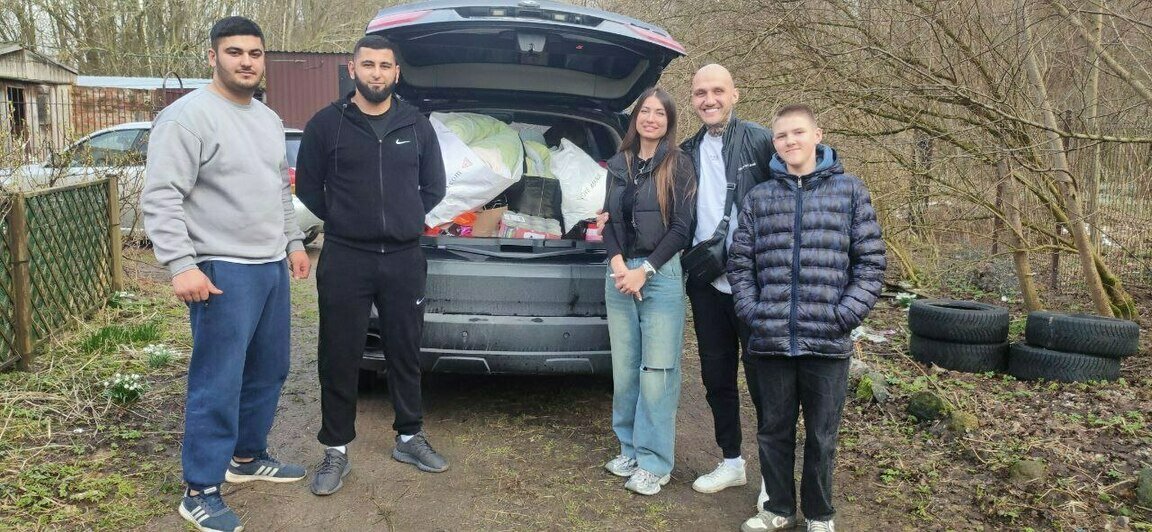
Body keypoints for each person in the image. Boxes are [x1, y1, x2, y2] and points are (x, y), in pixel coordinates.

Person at [142, 16, 310, 532]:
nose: (246, 62)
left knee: (269, 368)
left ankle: (246, 457)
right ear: (213, 57)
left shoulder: (266, 117)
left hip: (268, 267)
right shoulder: (187, 118)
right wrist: (181, 264)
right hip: (219, 270)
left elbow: (279, 189)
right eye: (234, 52)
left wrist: (293, 242)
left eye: (255, 53)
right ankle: (200, 488)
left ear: (264, 60)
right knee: (218, 378)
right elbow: (162, 195)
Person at [294, 35, 447, 496]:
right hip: (346, 257)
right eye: (368, 65)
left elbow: (434, 187)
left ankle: (408, 436)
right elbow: (309, 188)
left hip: (403, 258)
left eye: (385, 65)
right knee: (339, 353)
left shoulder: (416, 125)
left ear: (396, 72)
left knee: (405, 349)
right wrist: (347, 219)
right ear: (352, 69)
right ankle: (335, 449)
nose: (376, 73)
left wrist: (401, 219)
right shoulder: (327, 125)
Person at [729, 104, 885, 532]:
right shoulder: (760, 197)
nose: (790, 141)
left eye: (798, 133)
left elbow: (870, 264)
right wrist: (753, 311)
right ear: (774, 143)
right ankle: (778, 508)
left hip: (828, 340)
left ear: (818, 134)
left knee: (821, 436)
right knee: (773, 430)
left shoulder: (850, 191)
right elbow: (740, 264)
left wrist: (846, 314)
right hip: (771, 338)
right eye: (781, 136)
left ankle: (819, 514)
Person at [678, 64, 776, 496]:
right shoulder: (686, 151)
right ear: (692, 99)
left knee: (764, 381)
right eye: (701, 92)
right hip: (706, 283)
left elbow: (798, 187)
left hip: (756, 283)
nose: (709, 100)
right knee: (717, 377)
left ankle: (773, 480)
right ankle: (731, 461)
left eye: (718, 91)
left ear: (735, 94)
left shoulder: (760, 139)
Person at [601, 87, 696, 496]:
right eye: (645, 111)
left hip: (661, 276)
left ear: (669, 122)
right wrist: (618, 263)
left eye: (660, 113)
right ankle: (630, 449)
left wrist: (646, 269)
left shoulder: (679, 164)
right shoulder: (617, 163)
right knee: (625, 371)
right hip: (621, 273)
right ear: (635, 117)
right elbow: (605, 220)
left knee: (657, 373)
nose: (651, 118)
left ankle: (655, 462)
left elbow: (682, 228)